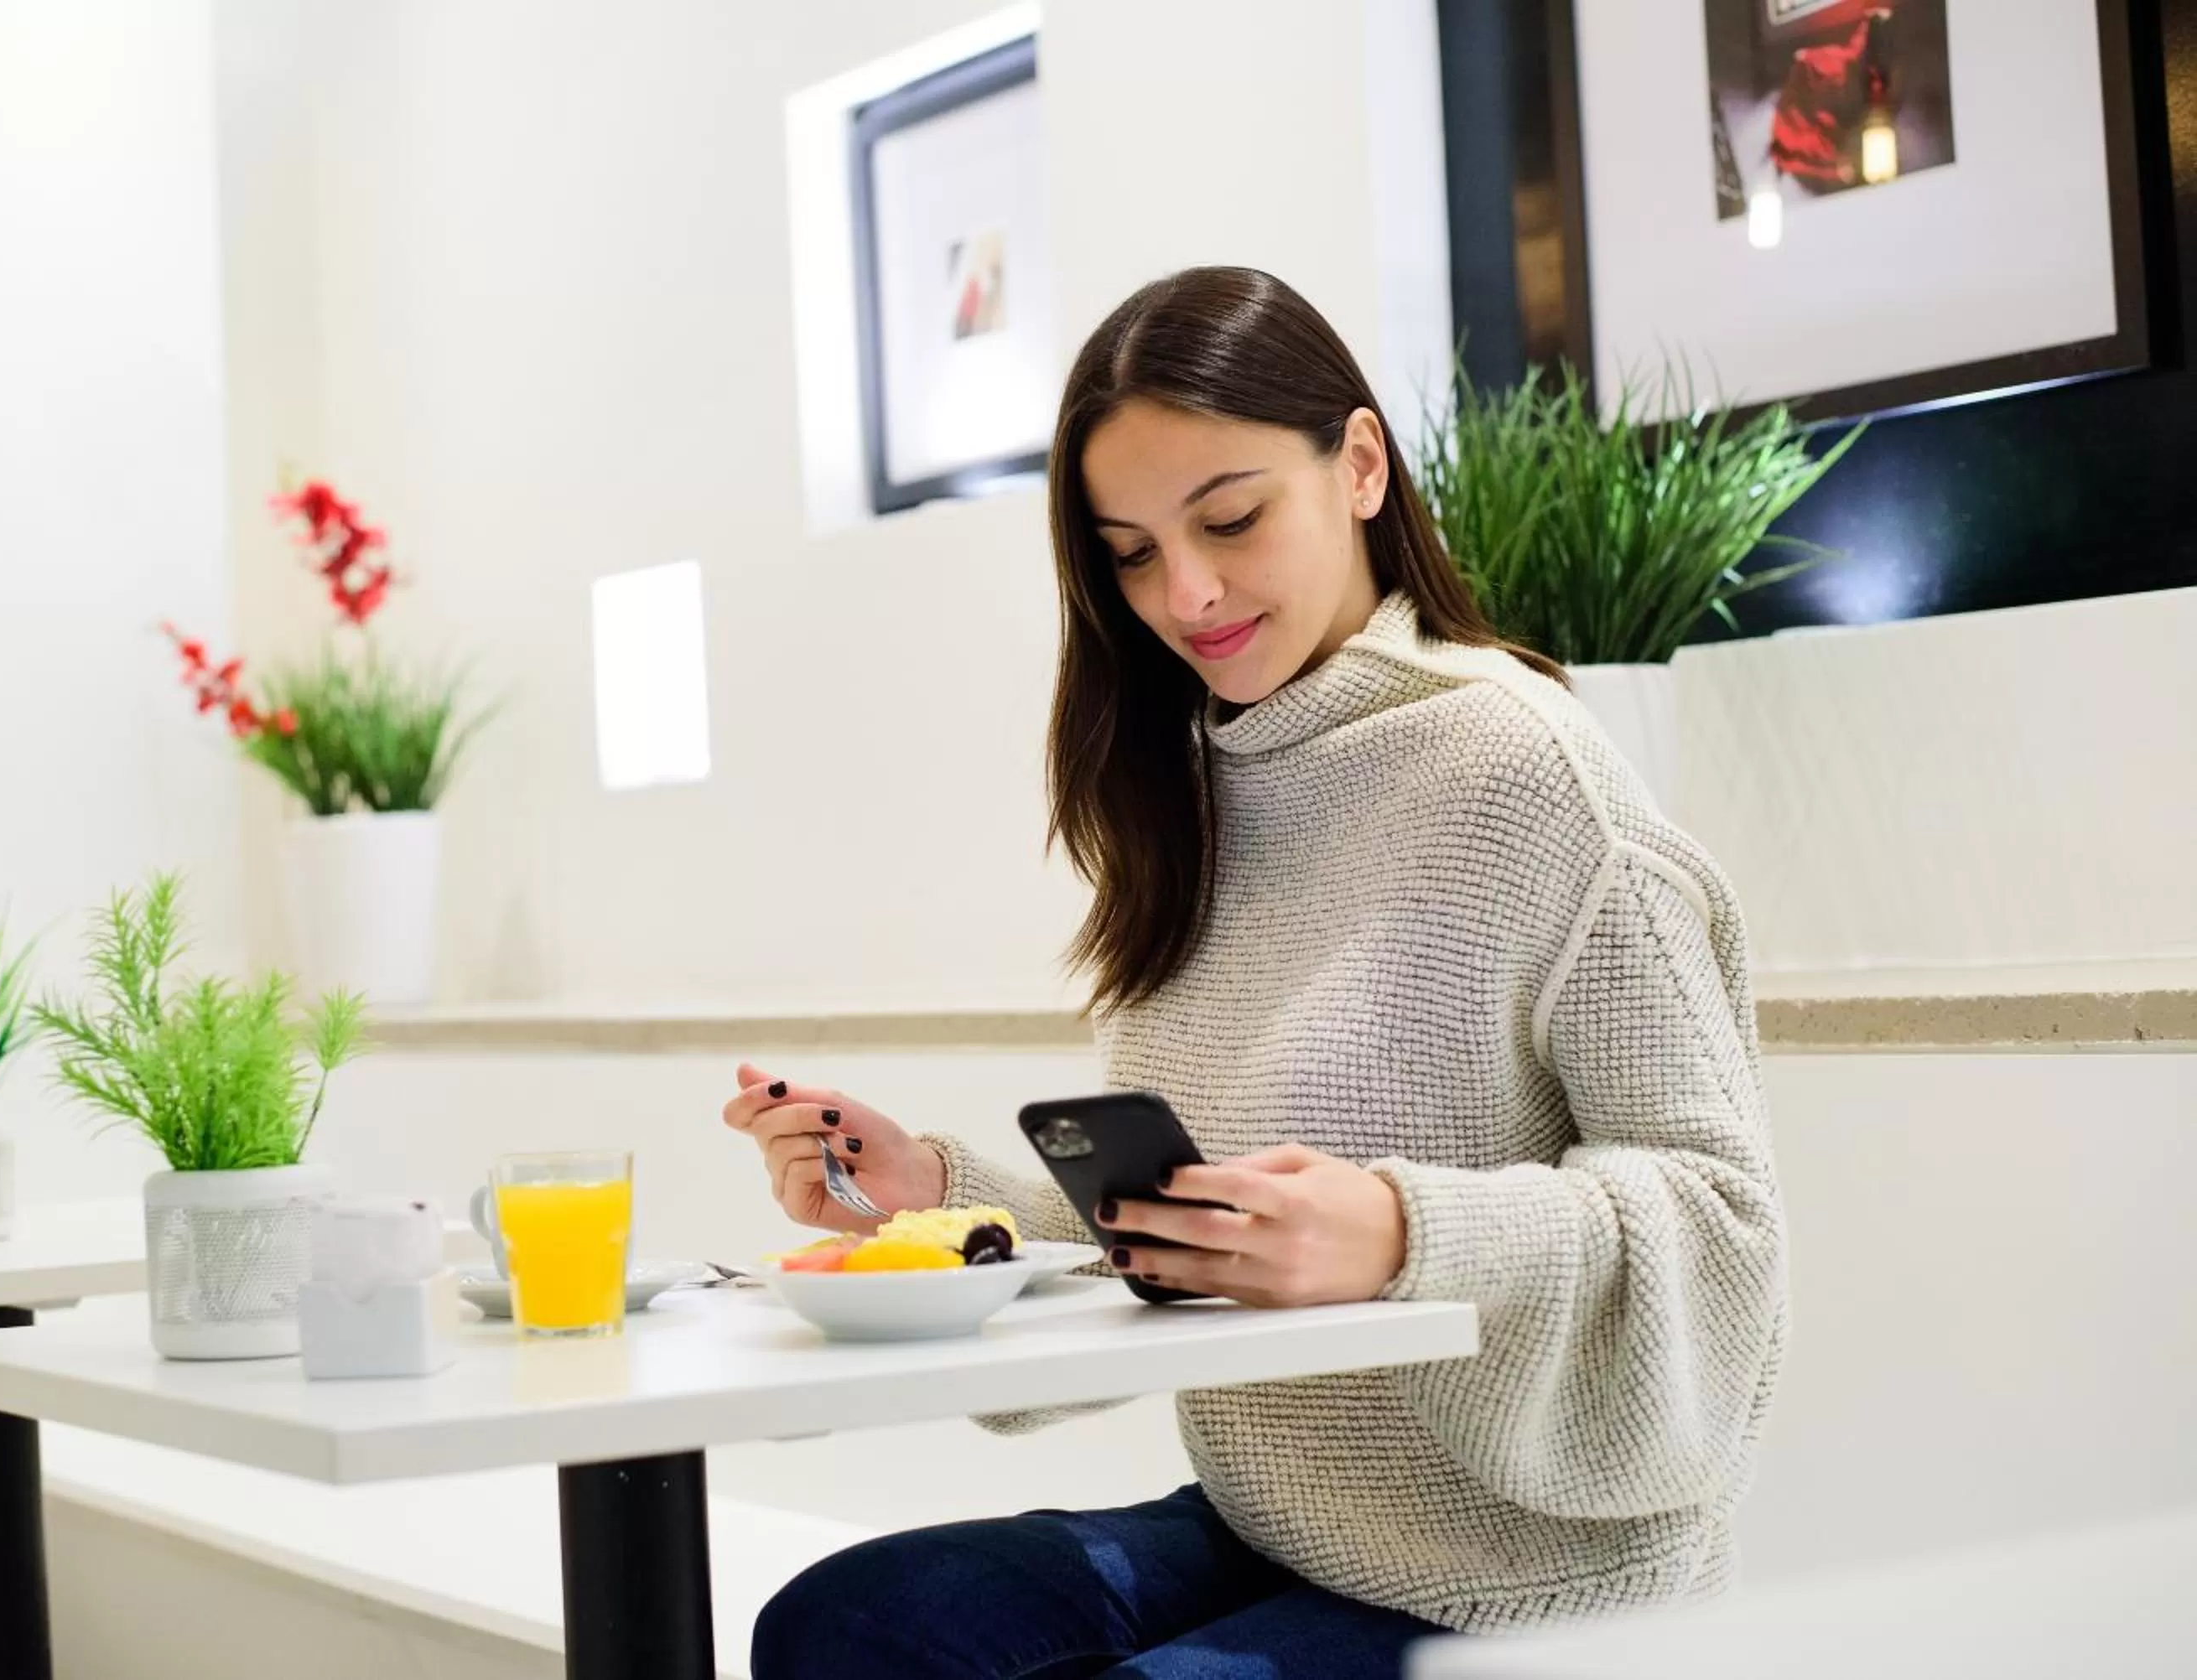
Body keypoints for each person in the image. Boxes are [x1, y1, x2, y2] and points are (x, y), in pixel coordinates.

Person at [726, 266, 1788, 1679]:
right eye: (1132, 552)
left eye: (1230, 519)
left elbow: (1724, 1226)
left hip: (1536, 1571)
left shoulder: (1529, 771)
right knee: (841, 1627)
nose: (1191, 593)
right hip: (1274, 1517)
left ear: (1358, 466)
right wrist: (934, 1194)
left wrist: (1405, 1238)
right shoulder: (1203, 797)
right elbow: (1203, 1215)